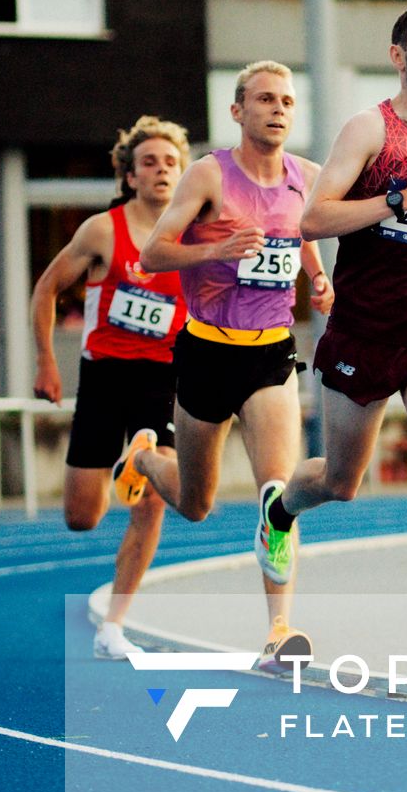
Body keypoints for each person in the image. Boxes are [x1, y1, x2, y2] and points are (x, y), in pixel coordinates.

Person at [252, 4, 407, 686]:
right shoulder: (370, 129)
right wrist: (396, 200)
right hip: (362, 333)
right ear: (400, 57)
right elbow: (314, 217)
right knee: (340, 482)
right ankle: (281, 508)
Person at [119, 62, 333, 673]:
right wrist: (216, 248)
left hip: (271, 352)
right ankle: (143, 458)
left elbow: (306, 231)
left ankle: (279, 630)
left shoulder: (309, 178)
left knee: (277, 496)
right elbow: (154, 252)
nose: (278, 109)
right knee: (196, 503)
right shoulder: (209, 175)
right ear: (238, 111)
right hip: (207, 350)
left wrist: (318, 278)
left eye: (287, 100)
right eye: (264, 99)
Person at [31, 116, 190, 658]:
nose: (162, 171)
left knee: (151, 505)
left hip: (164, 377)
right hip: (103, 374)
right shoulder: (103, 230)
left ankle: (114, 625)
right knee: (82, 517)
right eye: (150, 162)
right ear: (130, 175)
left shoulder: (194, 233)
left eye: (171, 162)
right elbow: (48, 288)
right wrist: (46, 362)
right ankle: (129, 465)